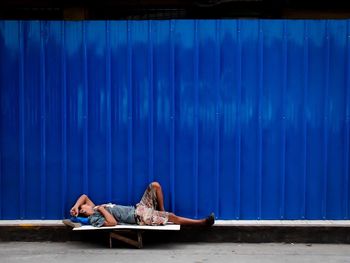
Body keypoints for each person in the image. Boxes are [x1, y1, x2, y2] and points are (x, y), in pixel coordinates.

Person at [66, 182, 215, 227]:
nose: (84, 205)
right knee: (172, 217)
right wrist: (102, 209)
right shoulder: (94, 218)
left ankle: (161, 210)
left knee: (154, 185)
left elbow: (84, 196)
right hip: (139, 217)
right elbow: (112, 223)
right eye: (82, 207)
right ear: (85, 212)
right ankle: (202, 223)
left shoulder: (92, 207)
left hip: (138, 207)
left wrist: (75, 206)